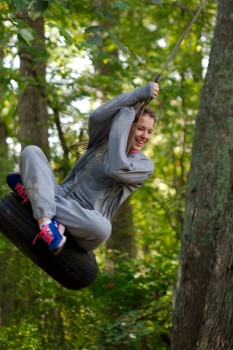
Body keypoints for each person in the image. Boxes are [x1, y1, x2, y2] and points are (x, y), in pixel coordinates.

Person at [6, 82, 159, 255]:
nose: (145, 136)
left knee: (103, 229)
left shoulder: (143, 165)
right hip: (62, 194)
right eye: (140, 128)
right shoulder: (101, 142)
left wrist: (124, 119)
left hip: (86, 222)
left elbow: (118, 168)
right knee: (31, 151)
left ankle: (36, 197)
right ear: (128, 127)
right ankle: (47, 223)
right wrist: (137, 95)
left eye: (149, 131)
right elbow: (96, 116)